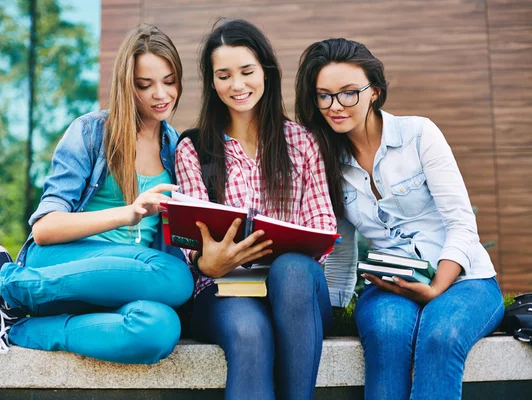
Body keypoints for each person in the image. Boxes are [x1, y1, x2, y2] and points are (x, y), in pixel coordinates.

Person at [0, 24, 194, 364]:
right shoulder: (91, 132)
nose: (161, 94)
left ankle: (9, 326)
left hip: (126, 284)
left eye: (169, 81)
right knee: (175, 278)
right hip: (57, 268)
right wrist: (129, 212)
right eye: (145, 85)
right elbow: (45, 228)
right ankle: (6, 285)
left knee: (159, 329)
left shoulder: (178, 149)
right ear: (126, 86)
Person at [295, 38, 504, 399]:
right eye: (324, 95)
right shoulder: (326, 159)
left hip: (466, 280)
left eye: (348, 93)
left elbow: (461, 223)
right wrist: (330, 313)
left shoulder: (419, 135)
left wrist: (438, 286)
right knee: (387, 334)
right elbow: (340, 247)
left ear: (374, 91)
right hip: (391, 285)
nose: (335, 106)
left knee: (442, 336)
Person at [175, 19, 350, 400]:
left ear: (266, 73)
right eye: (224, 75)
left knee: (292, 269)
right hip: (225, 291)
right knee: (249, 332)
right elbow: (191, 243)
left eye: (246, 71)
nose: (237, 85)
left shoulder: (302, 142)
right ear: (212, 82)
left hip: (297, 293)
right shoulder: (194, 148)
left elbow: (322, 228)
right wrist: (209, 262)